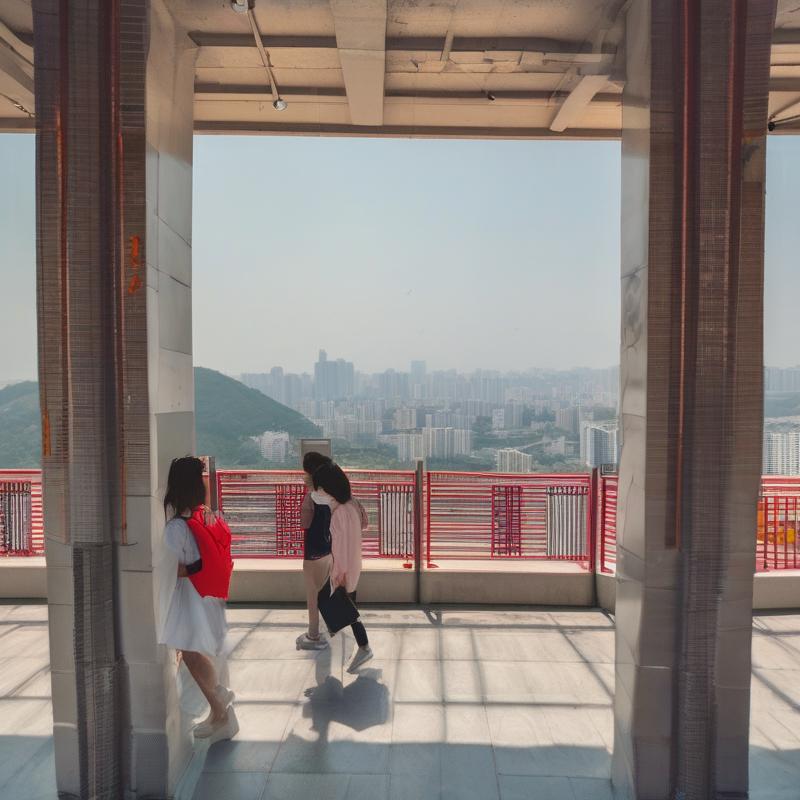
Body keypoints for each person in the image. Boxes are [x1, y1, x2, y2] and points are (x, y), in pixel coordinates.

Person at [155, 456, 238, 744]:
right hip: (207, 593)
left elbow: (177, 566)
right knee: (192, 650)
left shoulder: (176, 526)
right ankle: (218, 708)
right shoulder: (204, 514)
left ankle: (220, 708)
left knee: (189, 652)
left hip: (191, 594)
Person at [311, 461, 374, 672]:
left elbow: (339, 549)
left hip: (344, 569)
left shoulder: (338, 513)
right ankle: (359, 645)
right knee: (348, 610)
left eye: (319, 487)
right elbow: (365, 524)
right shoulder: (352, 504)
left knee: (345, 610)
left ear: (328, 488)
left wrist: (337, 576)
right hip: (354, 564)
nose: (317, 491)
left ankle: (363, 647)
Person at [295, 451, 334, 651]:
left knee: (313, 595)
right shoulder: (332, 494)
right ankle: (329, 630)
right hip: (329, 550)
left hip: (313, 553)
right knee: (327, 592)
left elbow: (305, 523)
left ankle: (314, 635)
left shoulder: (312, 497)